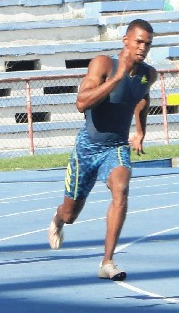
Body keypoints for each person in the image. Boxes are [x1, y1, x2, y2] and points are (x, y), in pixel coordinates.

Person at [47, 19, 157, 280]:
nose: (143, 48)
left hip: (116, 146)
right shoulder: (104, 64)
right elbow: (81, 103)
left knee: (121, 189)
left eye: (148, 44)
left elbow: (143, 97)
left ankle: (107, 262)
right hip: (88, 146)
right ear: (126, 41)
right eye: (139, 41)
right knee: (71, 213)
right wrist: (116, 79)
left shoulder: (148, 74)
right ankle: (58, 219)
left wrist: (141, 131)